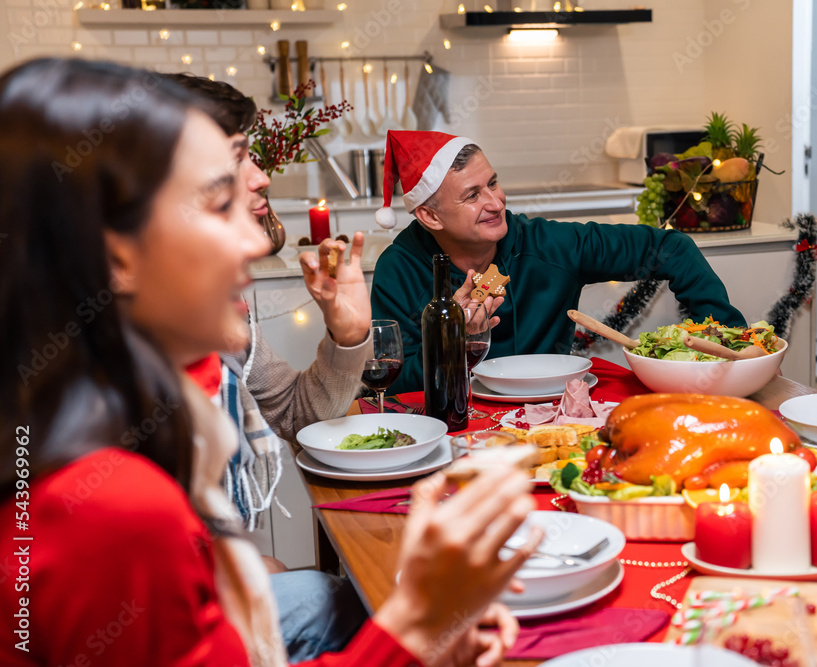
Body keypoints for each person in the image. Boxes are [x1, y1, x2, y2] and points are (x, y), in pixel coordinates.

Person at [0, 57, 540, 667]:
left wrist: (349, 335)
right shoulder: (110, 505)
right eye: (217, 198)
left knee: (334, 593)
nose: (257, 239)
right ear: (114, 257)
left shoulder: (85, 389)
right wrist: (416, 625)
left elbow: (300, 412)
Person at [163, 73, 372, 659]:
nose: (261, 177)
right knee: (338, 599)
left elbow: (302, 412)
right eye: (240, 156)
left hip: (199, 566)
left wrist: (347, 334)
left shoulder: (216, 310)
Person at [369, 130, 746, 393]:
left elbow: (673, 249)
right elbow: (395, 384)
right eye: (472, 196)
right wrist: (455, 343)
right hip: (456, 432)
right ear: (430, 217)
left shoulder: (551, 246)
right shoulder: (398, 269)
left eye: (494, 183)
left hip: (556, 418)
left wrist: (728, 348)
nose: (496, 203)